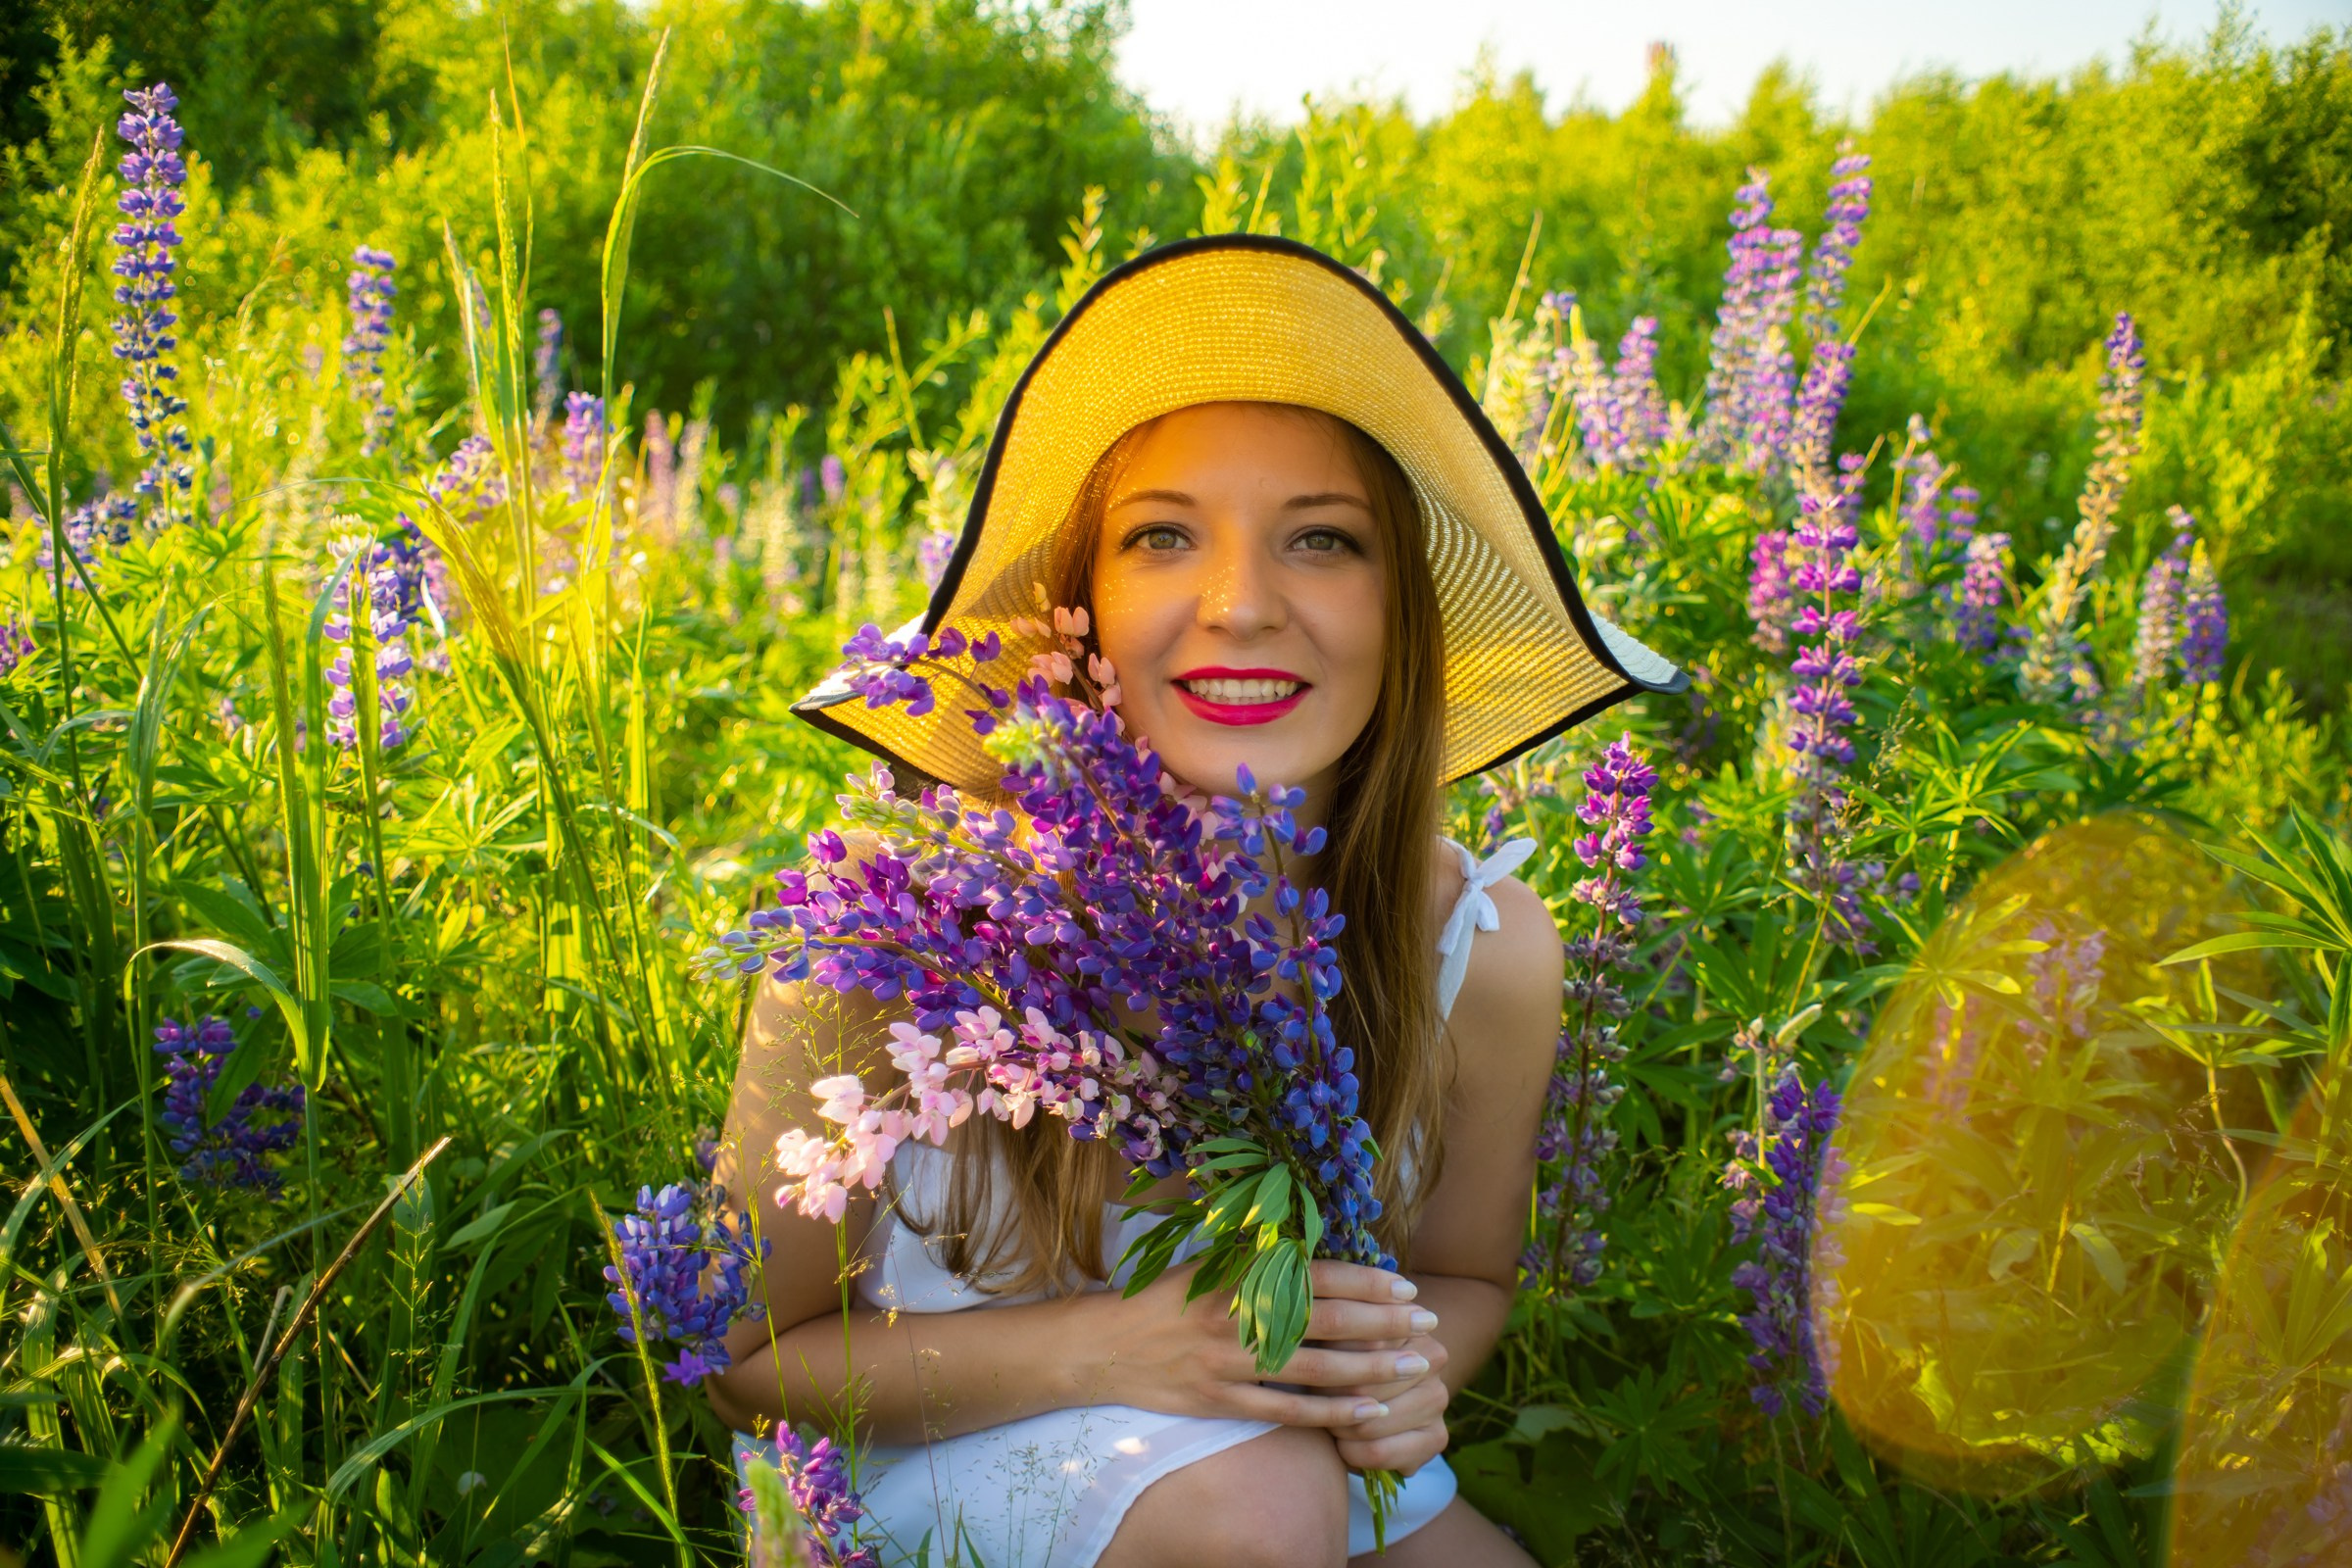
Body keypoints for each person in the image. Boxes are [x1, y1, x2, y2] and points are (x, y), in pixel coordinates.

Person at [708, 235, 1684, 1568]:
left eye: (1323, 540)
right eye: (1162, 536)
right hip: (920, 1457)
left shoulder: (1478, 946)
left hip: (1279, 1431)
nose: (1240, 606)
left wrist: (1394, 1369)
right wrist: (1123, 1348)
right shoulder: (900, 931)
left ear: (1404, 610)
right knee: (1257, 1507)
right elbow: (745, 1360)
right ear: (1084, 609)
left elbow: (1465, 1277)